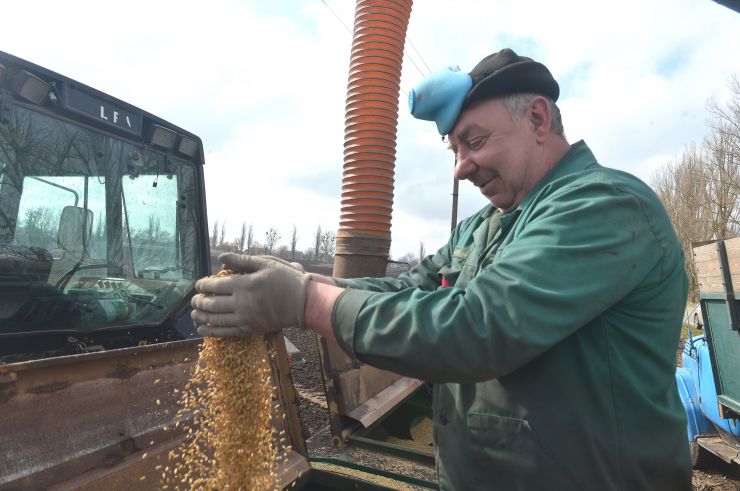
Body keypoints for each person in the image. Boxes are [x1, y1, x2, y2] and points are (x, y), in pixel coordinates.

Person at [191, 48, 692, 490]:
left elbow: (478, 327)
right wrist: (308, 282)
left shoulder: (602, 205)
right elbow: (410, 286)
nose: (460, 167)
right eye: (455, 149)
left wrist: (305, 302)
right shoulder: (486, 225)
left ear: (538, 119)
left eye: (474, 141)